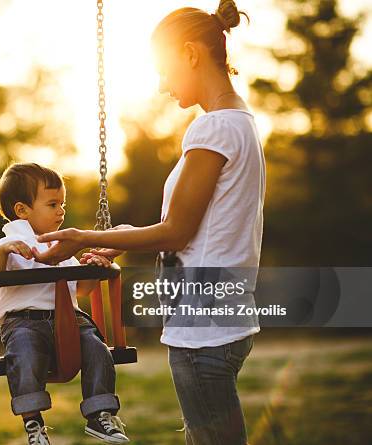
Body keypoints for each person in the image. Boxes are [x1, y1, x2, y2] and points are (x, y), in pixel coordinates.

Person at [32, 1, 265, 444]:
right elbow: (195, 227)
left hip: (204, 326)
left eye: (164, 69)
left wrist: (83, 236)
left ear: (192, 55)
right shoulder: (242, 124)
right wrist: (122, 236)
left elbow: (177, 231)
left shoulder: (211, 130)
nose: (160, 85)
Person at [0, 162, 129, 445]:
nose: (61, 210)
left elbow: (81, 290)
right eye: (52, 204)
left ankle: (100, 415)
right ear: (22, 210)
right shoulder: (8, 244)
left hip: (71, 321)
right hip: (24, 322)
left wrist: (97, 266)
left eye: (63, 203)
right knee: (23, 355)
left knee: (98, 350)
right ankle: (33, 422)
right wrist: (3, 250)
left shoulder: (62, 247)